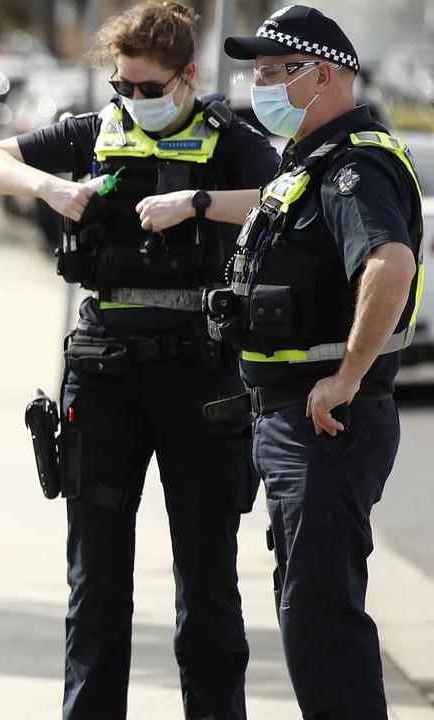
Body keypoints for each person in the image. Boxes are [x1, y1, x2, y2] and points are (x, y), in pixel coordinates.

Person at [0, 2, 280, 718]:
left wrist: (196, 203)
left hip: (198, 377)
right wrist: (48, 186)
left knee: (207, 583)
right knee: (96, 585)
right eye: (123, 87)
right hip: (104, 376)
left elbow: (283, 199)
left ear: (188, 76)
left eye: (149, 87)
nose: (135, 101)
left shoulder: (227, 138)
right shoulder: (95, 131)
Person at [206, 6, 423, 718]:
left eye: (274, 72)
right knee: (308, 610)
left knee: (320, 621)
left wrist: (349, 376)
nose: (259, 85)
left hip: (326, 424)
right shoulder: (312, 164)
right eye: (256, 72)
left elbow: (388, 265)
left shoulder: (355, 167)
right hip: (293, 423)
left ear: (322, 75)